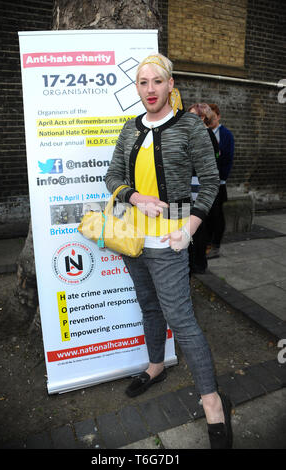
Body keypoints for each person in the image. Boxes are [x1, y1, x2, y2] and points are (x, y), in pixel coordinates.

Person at [105, 53, 233, 449]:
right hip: (132, 238)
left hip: (170, 238)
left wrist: (190, 229)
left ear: (170, 84)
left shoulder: (189, 126)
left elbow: (210, 182)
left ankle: (212, 402)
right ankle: (156, 366)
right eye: (142, 83)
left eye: (156, 82)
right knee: (149, 305)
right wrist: (135, 196)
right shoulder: (130, 129)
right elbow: (112, 176)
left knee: (181, 316)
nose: (149, 90)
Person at [187, 103, 220, 274]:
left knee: (198, 227)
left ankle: (198, 264)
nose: (191, 119)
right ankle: (194, 262)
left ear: (203, 117)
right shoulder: (197, 134)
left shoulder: (206, 135)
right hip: (189, 185)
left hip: (198, 187)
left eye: (195, 116)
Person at [206, 103, 234, 259]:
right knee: (207, 215)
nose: (211, 119)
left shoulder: (226, 134)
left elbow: (228, 158)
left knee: (217, 215)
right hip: (204, 183)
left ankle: (216, 245)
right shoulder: (204, 132)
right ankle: (207, 244)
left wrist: (222, 178)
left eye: (214, 116)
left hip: (218, 183)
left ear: (218, 116)